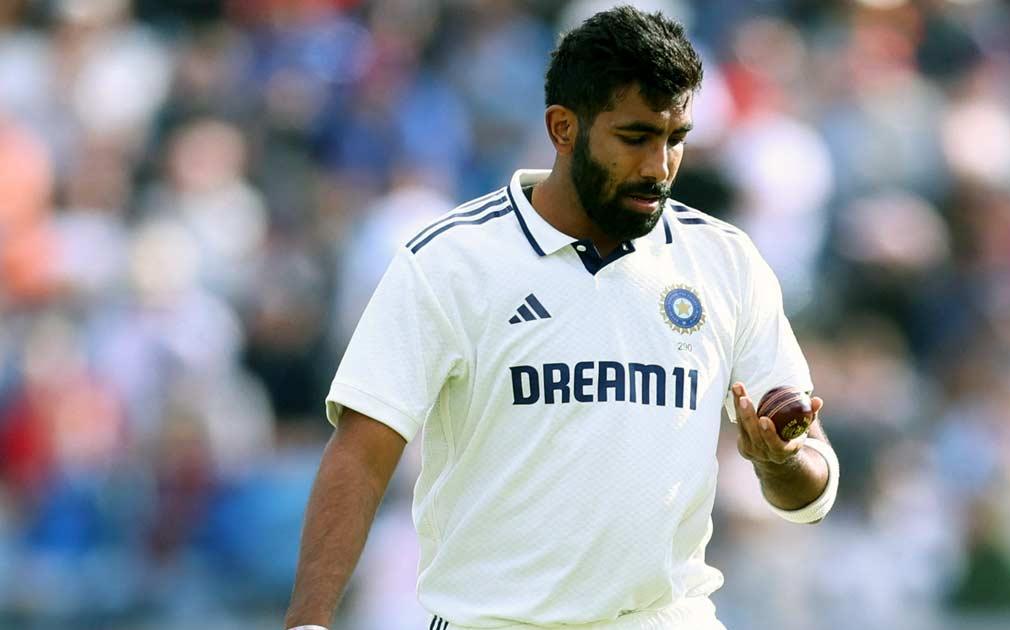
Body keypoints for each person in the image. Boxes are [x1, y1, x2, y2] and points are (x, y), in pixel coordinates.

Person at [284, 6, 839, 630]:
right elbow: (361, 454)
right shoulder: (451, 261)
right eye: (635, 137)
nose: (658, 167)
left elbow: (812, 490)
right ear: (563, 128)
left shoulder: (725, 261)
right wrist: (309, 623)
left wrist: (778, 462)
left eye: (675, 138)